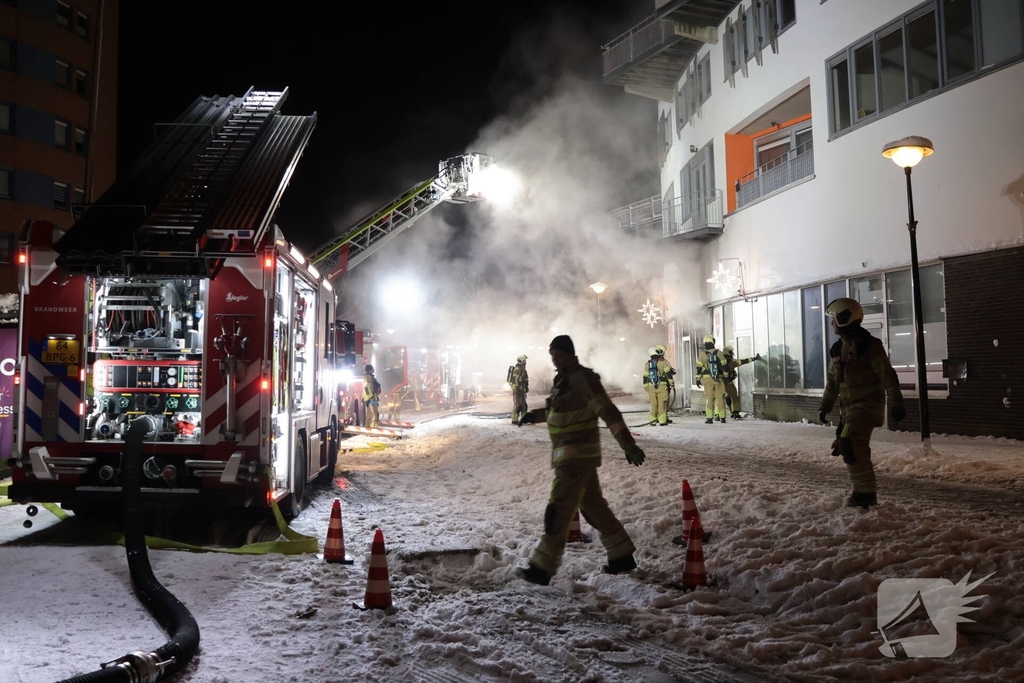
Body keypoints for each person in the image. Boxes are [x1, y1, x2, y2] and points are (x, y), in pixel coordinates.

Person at [515, 334, 647, 586]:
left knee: (558, 509)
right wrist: (535, 416)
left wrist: (627, 444)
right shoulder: (562, 380)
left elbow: (607, 410)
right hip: (574, 459)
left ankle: (542, 567)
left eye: (558, 354)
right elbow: (559, 411)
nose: (554, 358)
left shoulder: (584, 379)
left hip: (575, 460)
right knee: (594, 509)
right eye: (551, 354)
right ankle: (621, 556)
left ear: (569, 354)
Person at [818, 298, 905, 508]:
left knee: (849, 443)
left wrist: (896, 402)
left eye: (833, 319)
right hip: (848, 409)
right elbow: (833, 383)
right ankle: (862, 492)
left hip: (867, 406)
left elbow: (887, 375)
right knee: (851, 448)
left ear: (844, 318)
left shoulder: (869, 346)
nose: (832, 324)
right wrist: (825, 406)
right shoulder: (838, 349)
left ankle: (865, 494)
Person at [721, 345, 761, 420]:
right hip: (728, 383)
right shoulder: (731, 361)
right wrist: (754, 358)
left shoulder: (719, 360)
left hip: (719, 383)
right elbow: (743, 361)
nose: (732, 353)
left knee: (721, 398)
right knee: (735, 398)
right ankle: (735, 412)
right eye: (731, 352)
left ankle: (719, 414)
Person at [696, 334, 728, 424]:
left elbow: (698, 368)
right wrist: (726, 377)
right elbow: (725, 367)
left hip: (707, 379)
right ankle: (722, 418)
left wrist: (698, 379)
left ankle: (709, 418)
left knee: (709, 398)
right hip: (719, 378)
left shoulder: (702, 355)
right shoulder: (720, 353)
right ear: (713, 343)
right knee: (720, 398)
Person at [643, 345, 675, 426]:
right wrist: (672, 384)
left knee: (653, 404)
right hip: (662, 386)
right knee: (662, 404)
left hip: (651, 387)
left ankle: (652, 421)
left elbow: (645, 377)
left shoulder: (647, 364)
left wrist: (646, 387)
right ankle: (662, 421)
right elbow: (668, 374)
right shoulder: (662, 362)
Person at [510, 354, 529, 425]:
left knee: (524, 405)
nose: (525, 362)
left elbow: (525, 380)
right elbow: (515, 381)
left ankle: (524, 419)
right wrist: (518, 389)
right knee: (518, 405)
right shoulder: (517, 370)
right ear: (521, 361)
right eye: (524, 360)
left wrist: (525, 387)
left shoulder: (523, 369)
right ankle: (514, 420)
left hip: (522, 389)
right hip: (517, 390)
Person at [362, 364, 381, 429]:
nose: (374, 369)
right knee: (375, 414)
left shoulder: (370, 377)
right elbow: (366, 388)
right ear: (370, 369)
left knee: (369, 415)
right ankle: (373, 428)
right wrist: (371, 397)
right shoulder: (368, 377)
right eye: (373, 368)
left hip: (371, 398)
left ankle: (367, 429)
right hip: (371, 399)